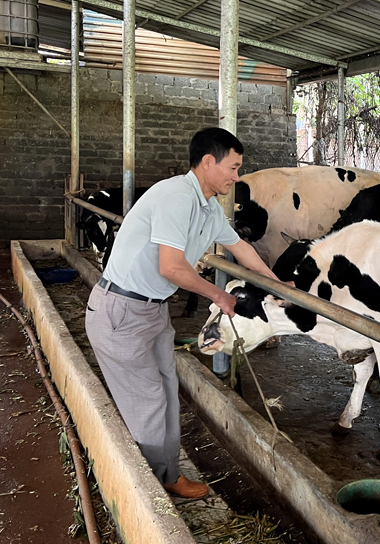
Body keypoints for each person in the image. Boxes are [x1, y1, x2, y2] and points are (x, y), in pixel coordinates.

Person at [85, 127, 280, 499]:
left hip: (152, 311)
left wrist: (279, 287)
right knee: (148, 400)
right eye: (234, 167)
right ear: (209, 162)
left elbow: (241, 248)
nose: (237, 176)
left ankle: (165, 472)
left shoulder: (208, 207)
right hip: (122, 310)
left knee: (165, 391)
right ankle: (152, 488)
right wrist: (219, 295)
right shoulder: (177, 196)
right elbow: (171, 268)